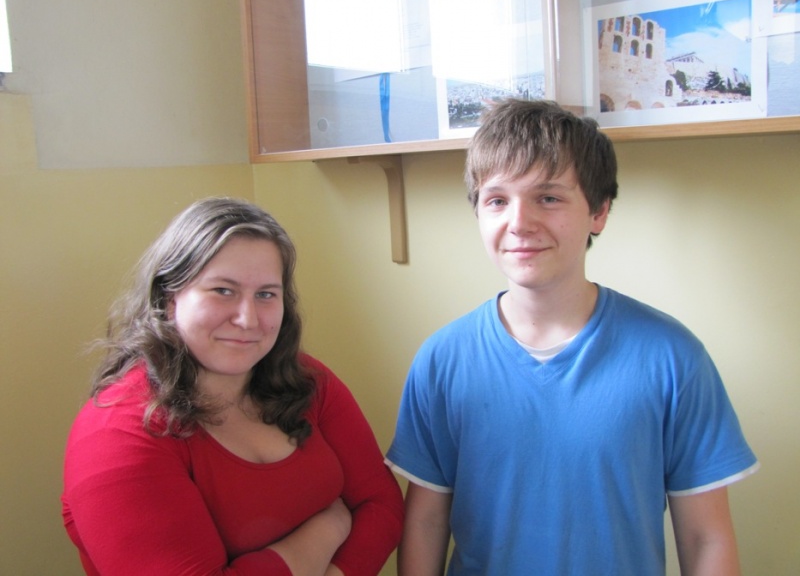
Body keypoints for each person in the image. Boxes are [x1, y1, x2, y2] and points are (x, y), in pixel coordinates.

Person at [385, 99, 758, 575]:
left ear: (599, 211)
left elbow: (706, 538)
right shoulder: (442, 360)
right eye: (497, 200)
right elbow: (426, 523)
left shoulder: (672, 358)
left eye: (548, 197)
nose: (519, 222)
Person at [62, 197, 404, 575]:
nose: (248, 319)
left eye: (266, 294)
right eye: (223, 290)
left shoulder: (308, 380)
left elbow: (382, 505)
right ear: (170, 298)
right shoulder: (115, 433)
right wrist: (330, 526)